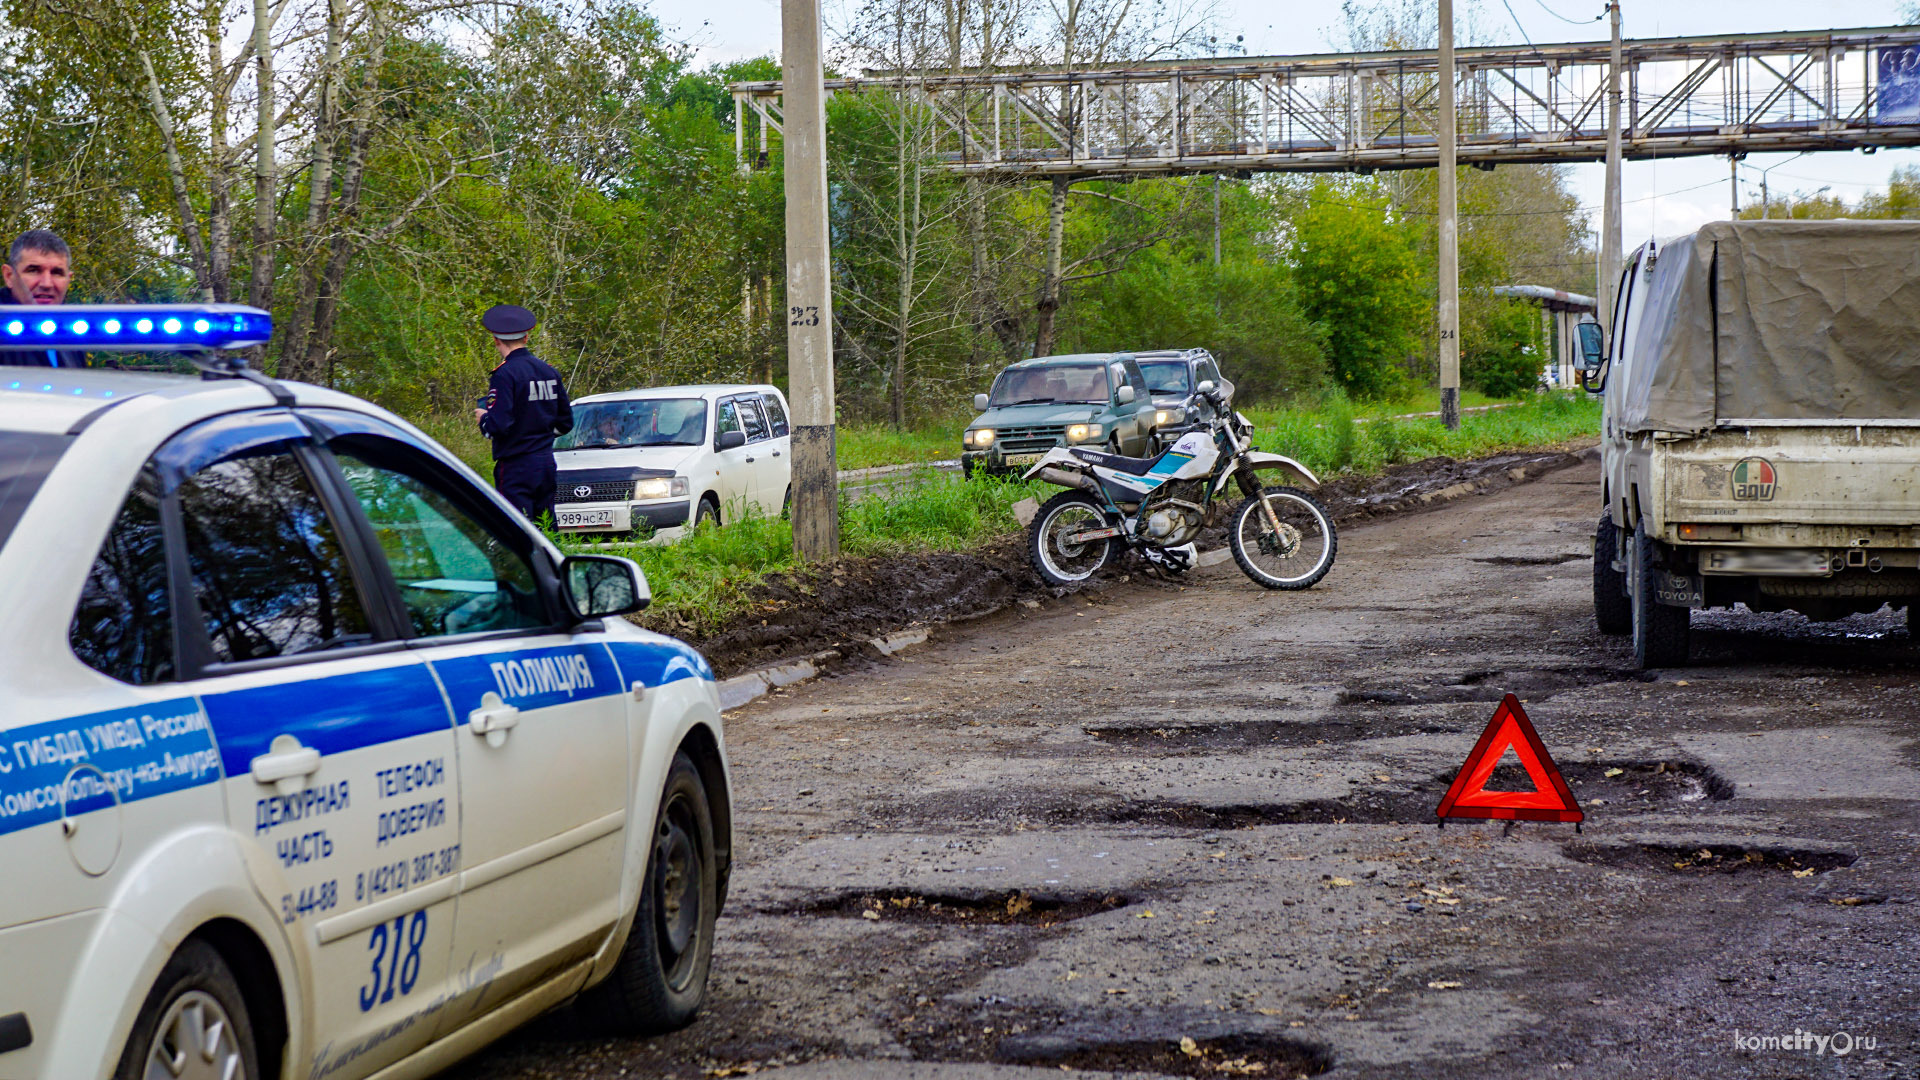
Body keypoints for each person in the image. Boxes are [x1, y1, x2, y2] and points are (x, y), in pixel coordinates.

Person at [473, 304, 573, 522]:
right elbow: (565, 422)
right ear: (526, 337)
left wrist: (483, 420)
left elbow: (499, 426)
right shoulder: (549, 371)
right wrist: (539, 434)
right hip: (546, 462)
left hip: (516, 466)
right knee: (545, 528)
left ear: (495, 339)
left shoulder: (505, 374)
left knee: (517, 530)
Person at [0, 230, 88, 368]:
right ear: (9, 276)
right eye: (34, 270)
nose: (46, 284)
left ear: (69, 279)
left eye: (57, 273)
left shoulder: (72, 333)